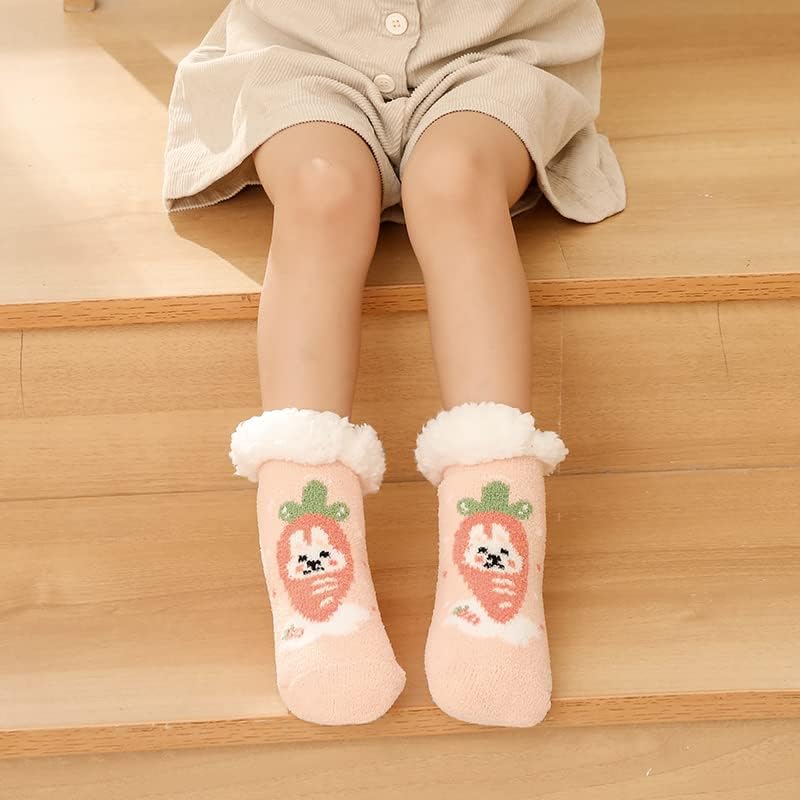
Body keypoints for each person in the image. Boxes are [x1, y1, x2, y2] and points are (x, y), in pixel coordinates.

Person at [163, 0, 625, 728]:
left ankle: (495, 540)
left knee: (454, 180)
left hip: (493, 50)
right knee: (322, 185)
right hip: (302, 50)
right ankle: (312, 552)